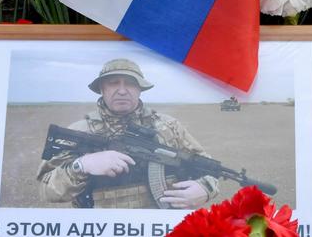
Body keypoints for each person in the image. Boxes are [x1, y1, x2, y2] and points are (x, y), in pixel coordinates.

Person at [37, 58, 219, 209]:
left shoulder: (169, 126)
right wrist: (82, 165)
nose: (122, 91)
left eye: (130, 84)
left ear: (140, 89)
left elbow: (207, 167)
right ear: (102, 88)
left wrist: (205, 188)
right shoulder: (80, 131)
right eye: (113, 83)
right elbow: (47, 191)